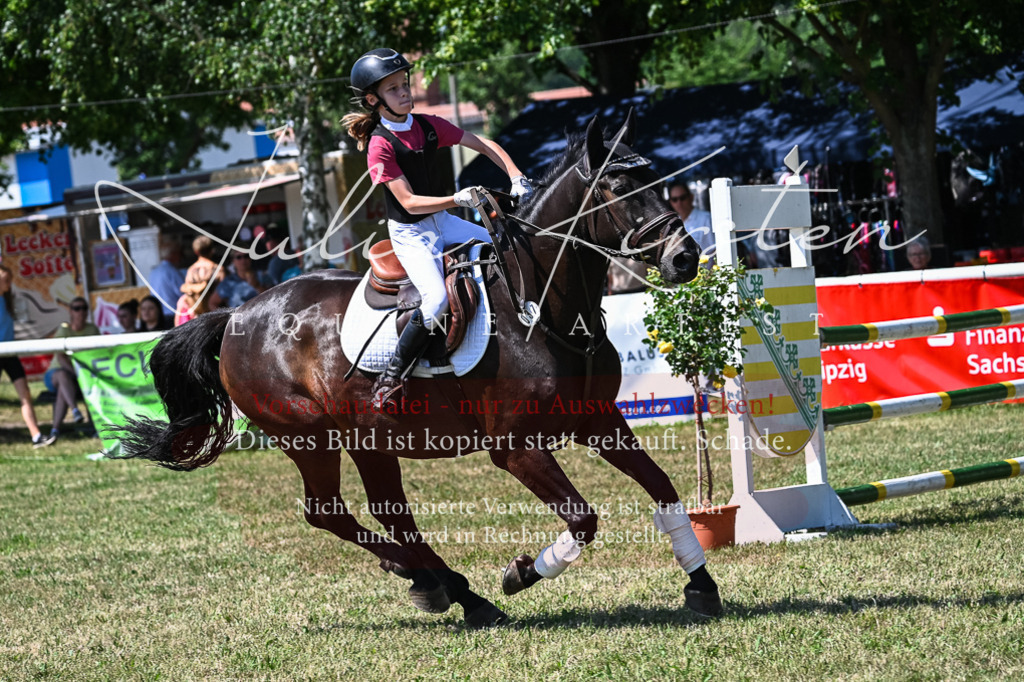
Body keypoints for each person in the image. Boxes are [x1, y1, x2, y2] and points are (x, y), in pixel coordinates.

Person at [341, 47, 532, 409]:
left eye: (405, 84)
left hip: (442, 221)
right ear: (374, 99)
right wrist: (457, 199)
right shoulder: (380, 145)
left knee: (509, 245)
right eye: (394, 89)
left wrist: (516, 176)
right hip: (410, 234)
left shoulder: (428, 125)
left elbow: (484, 144)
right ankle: (391, 377)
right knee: (437, 300)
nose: (405, 92)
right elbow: (410, 203)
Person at [0, 265, 55, 448]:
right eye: (5, 280)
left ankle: (36, 436)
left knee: (25, 394)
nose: (8, 284)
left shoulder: (8, 300)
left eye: (9, 280)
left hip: (10, 353)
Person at [45, 296, 99, 442]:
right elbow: (61, 359)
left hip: (80, 375)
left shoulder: (92, 329)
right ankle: (76, 411)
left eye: (84, 308)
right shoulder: (64, 330)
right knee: (63, 376)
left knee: (65, 387)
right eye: (76, 308)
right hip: (56, 373)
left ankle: (55, 429)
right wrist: (78, 373)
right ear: (71, 312)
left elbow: (98, 355)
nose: (80, 312)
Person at [175, 235, 224, 326]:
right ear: (212, 250)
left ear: (196, 252)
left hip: (197, 319)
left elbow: (188, 294)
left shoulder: (191, 270)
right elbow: (224, 293)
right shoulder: (218, 269)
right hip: (216, 317)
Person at [668, 181, 715, 257]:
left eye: (682, 198)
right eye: (675, 199)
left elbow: (714, 250)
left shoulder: (705, 218)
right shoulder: (673, 223)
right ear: (671, 202)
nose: (679, 203)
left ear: (691, 197)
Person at [147, 236, 185, 316]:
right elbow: (183, 293)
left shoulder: (154, 271)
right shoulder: (172, 271)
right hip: (172, 314)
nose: (180, 258)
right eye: (178, 253)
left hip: (159, 314)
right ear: (173, 254)